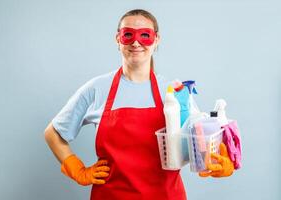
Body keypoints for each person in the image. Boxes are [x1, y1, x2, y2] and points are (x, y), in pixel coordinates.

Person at [44, 9, 234, 200]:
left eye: (145, 35)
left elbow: (199, 138)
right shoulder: (96, 89)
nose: (136, 42)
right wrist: (77, 169)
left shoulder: (175, 92)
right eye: (128, 35)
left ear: (156, 40)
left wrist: (220, 158)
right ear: (117, 39)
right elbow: (53, 133)